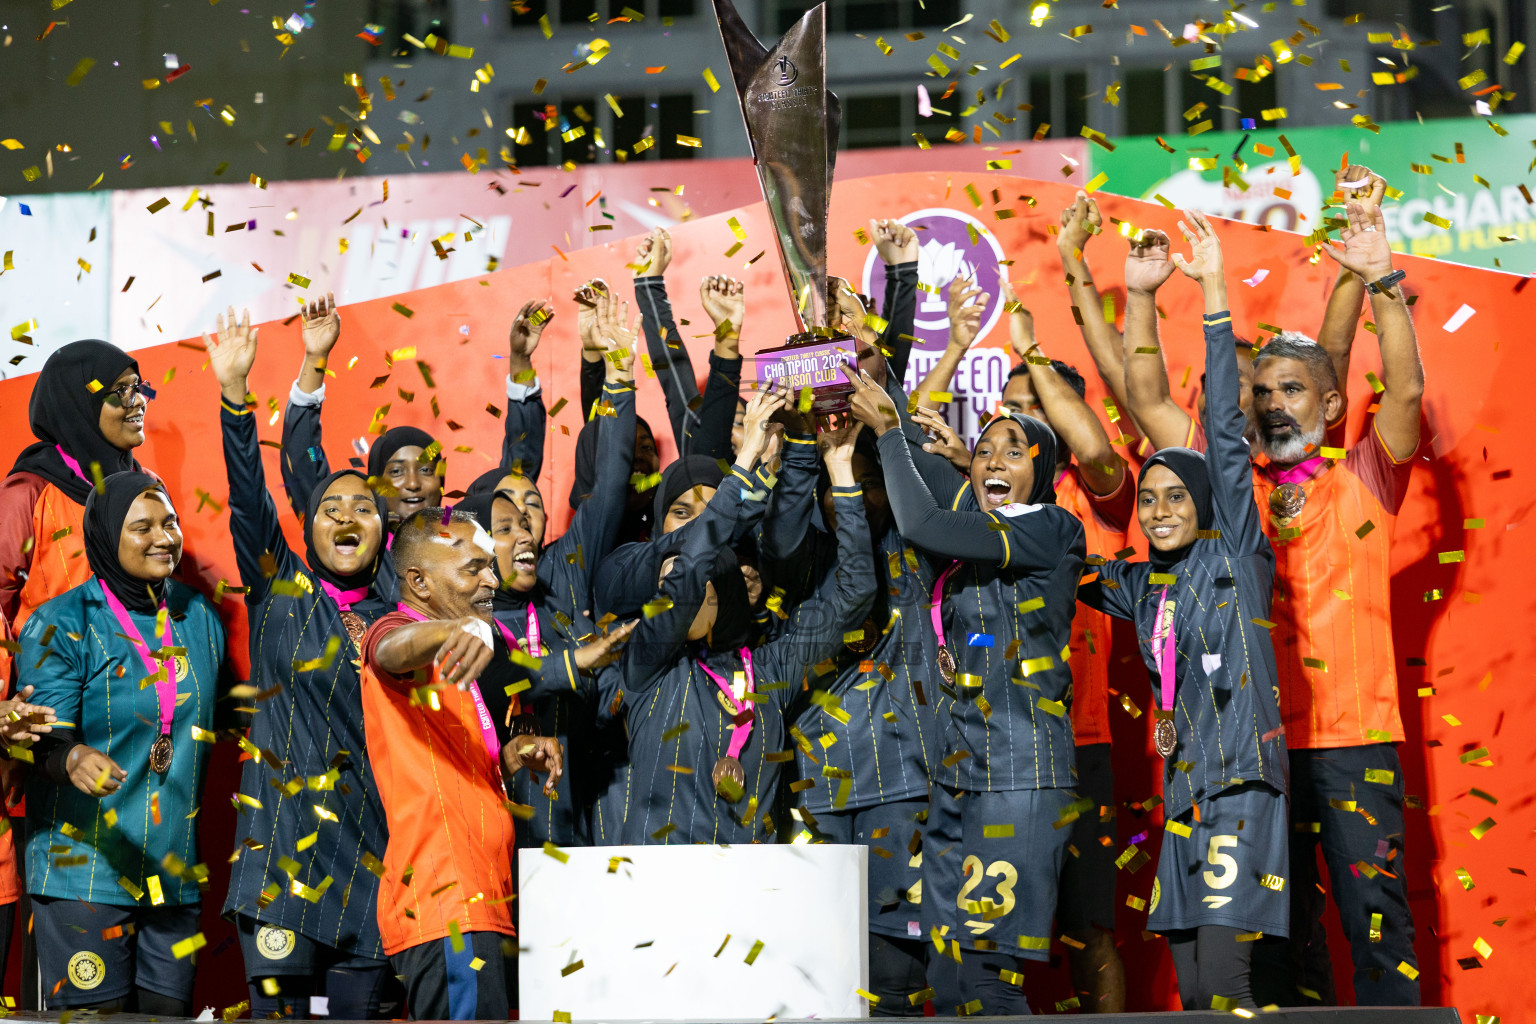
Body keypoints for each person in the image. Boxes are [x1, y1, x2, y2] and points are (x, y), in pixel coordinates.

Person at [1080, 211, 1289, 1011]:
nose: (1160, 511)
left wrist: (1211, 295)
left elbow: (1226, 437)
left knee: (1227, 981)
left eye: (1177, 498)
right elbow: (1050, 560)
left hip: (1241, 786)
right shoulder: (1140, 585)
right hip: (1182, 801)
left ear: (1206, 505)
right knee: (1195, 992)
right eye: (1152, 499)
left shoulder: (1236, 549)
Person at [914, 274, 1133, 1013]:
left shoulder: (1090, 498)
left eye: (1032, 413)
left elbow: (1087, 449)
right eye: (1001, 418)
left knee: (1086, 928)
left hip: (1077, 741)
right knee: (977, 953)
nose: (1012, 425)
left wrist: (1031, 350)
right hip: (984, 749)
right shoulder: (990, 498)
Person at [848, 367, 1086, 1017]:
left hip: (1022, 774)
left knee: (988, 980)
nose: (994, 460)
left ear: (1047, 472)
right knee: (951, 983)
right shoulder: (984, 541)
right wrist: (876, 363)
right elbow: (946, 502)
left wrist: (891, 433)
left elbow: (925, 521)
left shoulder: (1048, 528)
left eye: (1016, 450)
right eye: (983, 449)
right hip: (964, 775)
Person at [1245, 194, 1426, 1006]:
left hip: (1356, 741)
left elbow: (1404, 390)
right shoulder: (1234, 490)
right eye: (1261, 392)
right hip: (1259, 746)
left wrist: (1376, 276)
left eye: (1292, 392)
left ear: (1327, 408)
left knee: (1374, 923)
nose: (1272, 403)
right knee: (1277, 933)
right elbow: (1323, 366)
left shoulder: (1366, 477)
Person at [204, 309, 400, 1019]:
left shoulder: (403, 617)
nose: (347, 516)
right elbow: (250, 498)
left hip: (372, 866)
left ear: (384, 533)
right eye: (330, 508)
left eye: (364, 509)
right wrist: (235, 395)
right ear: (309, 527)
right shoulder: (280, 587)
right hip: (279, 863)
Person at [618, 394, 876, 845]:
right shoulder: (649, 661)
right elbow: (691, 568)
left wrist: (839, 471)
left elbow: (855, 592)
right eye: (672, 588)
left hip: (751, 892)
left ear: (728, 594)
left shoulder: (770, 669)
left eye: (696, 588)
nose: (676, 599)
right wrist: (743, 464)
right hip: (661, 891)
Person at [20, 473, 227, 1015]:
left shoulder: (198, 615)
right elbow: (39, 736)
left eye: (170, 522)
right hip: (84, 874)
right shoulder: (60, 622)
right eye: (142, 527)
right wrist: (69, 757)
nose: (164, 537)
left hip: (171, 877)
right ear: (108, 537)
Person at [359, 507, 562, 1020]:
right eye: (473, 568)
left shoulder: (455, 655)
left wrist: (508, 760)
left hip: (477, 901)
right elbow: (391, 649)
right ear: (419, 581)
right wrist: (457, 628)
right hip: (447, 907)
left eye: (489, 566)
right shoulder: (400, 629)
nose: (492, 580)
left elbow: (440, 770)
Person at [0, 339, 153, 977]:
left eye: (140, 387)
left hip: (133, 737)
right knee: (59, 945)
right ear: (74, 402)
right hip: (44, 740)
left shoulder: (142, 491)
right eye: (117, 391)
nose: (136, 402)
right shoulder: (30, 491)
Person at [280, 293, 556, 530]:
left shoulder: (469, 538)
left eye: (425, 469)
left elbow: (517, 470)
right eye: (397, 471)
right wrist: (316, 360)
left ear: (442, 482)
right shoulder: (355, 550)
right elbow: (306, 463)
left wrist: (521, 361)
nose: (413, 483)